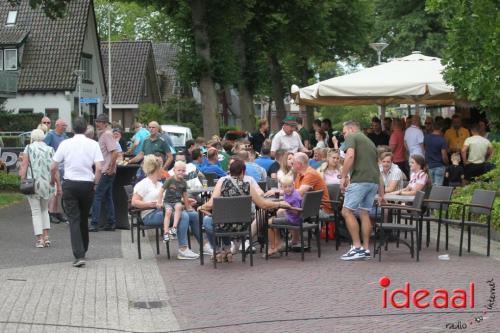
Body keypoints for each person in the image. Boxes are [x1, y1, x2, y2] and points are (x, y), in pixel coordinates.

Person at [199, 158, 289, 262]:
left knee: (207, 220)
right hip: (242, 226)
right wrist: (279, 204)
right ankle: (227, 250)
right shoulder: (247, 185)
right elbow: (263, 204)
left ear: (230, 171)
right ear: (243, 172)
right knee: (221, 220)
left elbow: (210, 204)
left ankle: (218, 250)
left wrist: (200, 207)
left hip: (223, 225)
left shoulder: (221, 182)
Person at [50, 118, 103, 268]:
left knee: (73, 218)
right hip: (87, 184)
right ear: (86, 129)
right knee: (84, 217)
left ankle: (78, 255)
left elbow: (53, 166)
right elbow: (99, 167)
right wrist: (95, 183)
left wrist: (53, 180)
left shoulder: (65, 144)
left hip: (70, 184)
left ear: (72, 129)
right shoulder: (93, 144)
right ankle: (84, 249)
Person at [133, 155, 206, 259]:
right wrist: (151, 204)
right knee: (183, 215)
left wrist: (185, 201)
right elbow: (134, 202)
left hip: (163, 211)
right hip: (149, 215)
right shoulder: (143, 184)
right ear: (156, 169)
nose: (163, 170)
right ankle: (183, 249)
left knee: (193, 214)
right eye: (161, 168)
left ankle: (204, 245)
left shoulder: (159, 184)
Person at [340, 121, 384, 261]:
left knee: (346, 211)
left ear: (351, 129)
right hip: (373, 182)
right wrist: (382, 193)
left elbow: (350, 156)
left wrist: (343, 176)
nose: (344, 135)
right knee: (364, 212)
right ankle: (365, 249)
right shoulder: (370, 142)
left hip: (360, 180)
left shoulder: (353, 137)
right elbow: (378, 169)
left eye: (344, 132)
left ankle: (357, 247)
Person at [19, 129, 58, 248]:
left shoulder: (29, 148)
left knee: (36, 212)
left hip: (33, 184)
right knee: (44, 210)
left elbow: (24, 166)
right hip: (47, 183)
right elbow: (54, 168)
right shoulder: (50, 149)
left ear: (32, 137)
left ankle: (39, 239)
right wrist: (57, 183)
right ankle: (46, 238)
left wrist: (22, 180)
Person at [292, 152, 332, 245]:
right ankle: (296, 240)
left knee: (285, 211)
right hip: (310, 206)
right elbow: (295, 192)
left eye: (293, 162)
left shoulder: (310, 174)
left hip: (321, 209)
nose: (291, 164)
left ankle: (297, 241)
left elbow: (299, 192)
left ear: (299, 164)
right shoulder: (300, 174)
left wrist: (280, 192)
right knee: (286, 210)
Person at [89, 114, 119, 232]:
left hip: (106, 170)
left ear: (105, 123)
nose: (97, 124)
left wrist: (110, 168)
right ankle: (111, 223)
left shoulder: (106, 135)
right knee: (107, 197)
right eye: (97, 121)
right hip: (107, 169)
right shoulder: (105, 134)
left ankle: (94, 223)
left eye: (100, 122)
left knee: (97, 196)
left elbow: (115, 152)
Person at [267, 175, 302, 257]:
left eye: (290, 186)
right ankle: (278, 245)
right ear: (282, 188)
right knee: (276, 216)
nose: (288, 189)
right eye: (285, 187)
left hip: (293, 219)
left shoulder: (295, 196)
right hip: (291, 217)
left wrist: (286, 207)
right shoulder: (289, 193)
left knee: (269, 222)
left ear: (293, 185)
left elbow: (297, 212)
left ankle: (273, 247)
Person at [158, 161, 193, 241]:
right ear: (174, 170)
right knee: (169, 211)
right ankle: (166, 232)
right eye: (179, 170)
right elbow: (161, 191)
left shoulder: (184, 182)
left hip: (176, 201)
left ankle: (174, 228)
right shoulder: (170, 180)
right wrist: (159, 202)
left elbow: (185, 196)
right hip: (167, 202)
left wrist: (188, 207)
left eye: (183, 171)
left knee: (179, 206)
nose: (181, 172)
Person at [44, 118, 68, 224]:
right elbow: (44, 148)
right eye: (63, 125)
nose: (65, 127)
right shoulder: (50, 135)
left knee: (59, 191)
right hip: (54, 166)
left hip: (63, 167)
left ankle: (57, 212)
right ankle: (51, 212)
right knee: (53, 190)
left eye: (65, 126)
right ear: (57, 125)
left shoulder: (64, 136)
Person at [424, 121, 449, 186]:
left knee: (432, 186)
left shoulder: (426, 138)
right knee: (438, 187)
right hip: (439, 166)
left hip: (430, 165)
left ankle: (432, 196)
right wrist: (447, 164)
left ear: (432, 127)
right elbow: (444, 156)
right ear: (441, 128)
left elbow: (425, 150)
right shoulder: (442, 140)